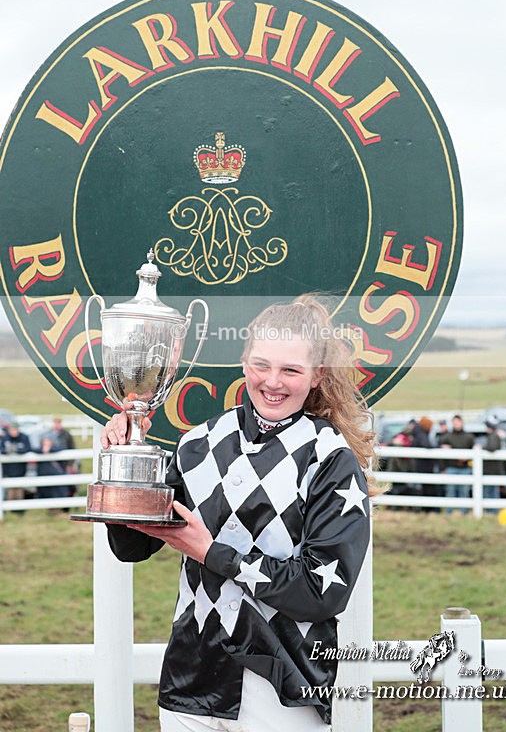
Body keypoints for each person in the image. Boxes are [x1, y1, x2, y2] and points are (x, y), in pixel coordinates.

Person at [103, 295, 378, 731]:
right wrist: (126, 462)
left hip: (283, 684)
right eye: (261, 365)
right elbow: (132, 545)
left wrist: (213, 554)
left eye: (291, 370)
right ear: (244, 362)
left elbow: (321, 593)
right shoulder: (198, 443)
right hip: (191, 677)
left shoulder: (330, 459)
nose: (273, 382)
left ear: (317, 375)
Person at [439, 414, 474, 514]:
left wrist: (467, 458)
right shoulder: (447, 437)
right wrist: (443, 469)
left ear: (461, 422)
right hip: (451, 467)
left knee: (464, 491)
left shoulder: (469, 437)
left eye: (458, 422)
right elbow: (442, 454)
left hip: (465, 468)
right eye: (454, 422)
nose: (456, 424)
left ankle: (464, 512)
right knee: (450, 490)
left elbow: (473, 452)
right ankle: (449, 512)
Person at [410, 416, 438, 512]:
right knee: (425, 488)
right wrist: (437, 447)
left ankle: (421, 508)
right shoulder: (421, 433)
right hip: (423, 466)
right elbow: (426, 445)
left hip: (419, 465)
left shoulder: (417, 432)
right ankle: (425, 509)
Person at [0, 422, 31, 509]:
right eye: (11, 430)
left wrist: (17, 450)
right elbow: (1, 449)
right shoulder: (5, 438)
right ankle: (11, 508)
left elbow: (28, 449)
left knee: (19, 487)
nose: (13, 432)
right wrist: (7, 451)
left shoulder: (24, 437)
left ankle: (19, 508)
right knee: (10, 488)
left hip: (20, 467)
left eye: (15, 430)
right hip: (8, 468)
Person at [37, 435, 70, 510]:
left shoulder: (56, 448)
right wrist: (43, 450)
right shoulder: (40, 450)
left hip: (55, 475)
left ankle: (58, 509)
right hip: (44, 476)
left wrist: (50, 449)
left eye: (48, 441)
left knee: (58, 492)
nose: (46, 443)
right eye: (45, 442)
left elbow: (62, 448)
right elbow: (33, 449)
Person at [482, 418, 503, 513]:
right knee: (491, 490)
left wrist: (482, 448)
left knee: (490, 490)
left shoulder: (493, 436)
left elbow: (492, 447)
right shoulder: (494, 435)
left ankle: (492, 511)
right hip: (492, 469)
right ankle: (492, 510)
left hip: (491, 469)